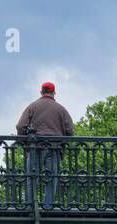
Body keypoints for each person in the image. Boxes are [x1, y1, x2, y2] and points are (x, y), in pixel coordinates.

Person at [16, 81, 75, 209]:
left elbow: (21, 126)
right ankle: (48, 206)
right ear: (54, 93)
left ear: (41, 92)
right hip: (54, 148)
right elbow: (70, 131)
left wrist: (27, 144)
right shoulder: (61, 109)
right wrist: (62, 142)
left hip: (35, 147)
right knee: (52, 178)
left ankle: (30, 206)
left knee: (32, 177)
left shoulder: (32, 106)